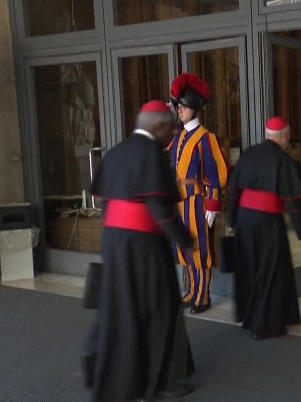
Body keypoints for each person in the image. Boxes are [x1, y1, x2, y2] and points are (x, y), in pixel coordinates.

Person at [83, 100, 196, 401]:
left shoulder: (116, 152)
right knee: (162, 310)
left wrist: (113, 242)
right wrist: (184, 240)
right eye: (170, 130)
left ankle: (124, 377)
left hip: (114, 242)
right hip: (145, 245)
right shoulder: (152, 154)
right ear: (158, 127)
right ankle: (161, 383)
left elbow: (106, 203)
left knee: (123, 308)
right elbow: (160, 208)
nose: (171, 135)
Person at [226, 116, 301, 340]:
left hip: (244, 220)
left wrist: (232, 220)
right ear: (283, 136)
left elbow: (234, 191)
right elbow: (292, 200)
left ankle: (248, 315)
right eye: (288, 137)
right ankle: (264, 326)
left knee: (250, 268)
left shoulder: (248, 154)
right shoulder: (282, 159)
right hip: (267, 222)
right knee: (271, 272)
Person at [168, 72, 230, 314]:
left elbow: (216, 174)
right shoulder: (179, 136)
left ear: (194, 107)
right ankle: (193, 290)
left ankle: (203, 296)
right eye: (178, 106)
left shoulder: (206, 138)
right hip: (180, 200)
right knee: (185, 248)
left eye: (183, 106)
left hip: (196, 201)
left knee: (199, 249)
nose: (179, 110)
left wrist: (213, 205)